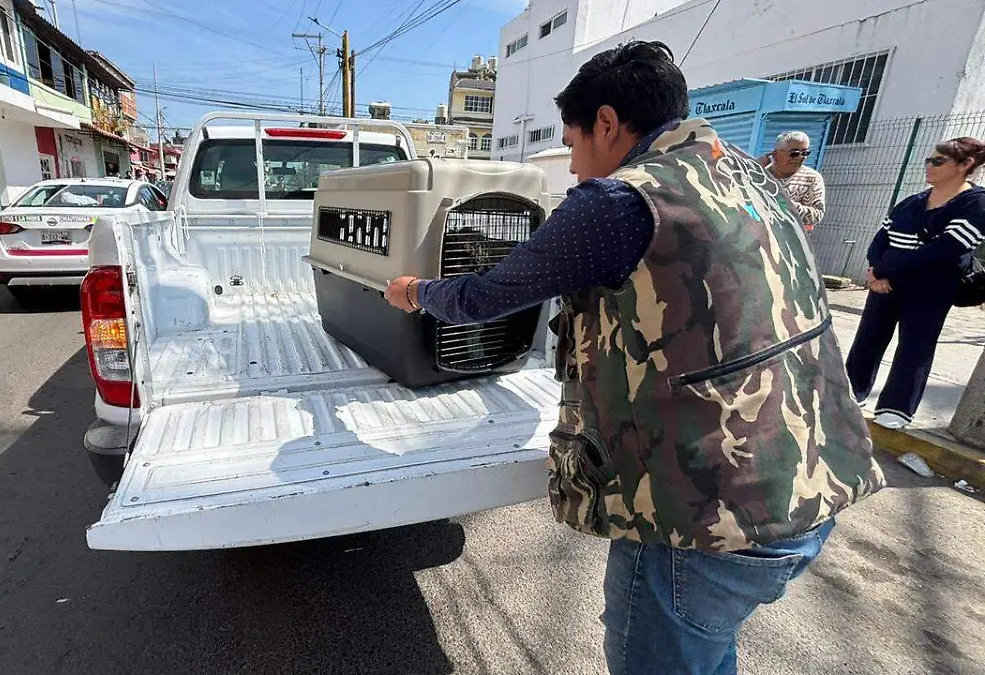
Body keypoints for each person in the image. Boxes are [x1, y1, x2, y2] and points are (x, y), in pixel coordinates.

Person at [383, 41, 885, 675]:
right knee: (703, 652)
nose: (572, 168)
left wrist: (415, 292)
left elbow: (485, 295)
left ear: (608, 123)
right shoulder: (748, 177)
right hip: (816, 481)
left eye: (571, 145)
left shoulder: (621, 201)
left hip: (706, 517)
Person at [845, 138, 985, 429]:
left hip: (930, 290)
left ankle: (896, 409)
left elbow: (945, 249)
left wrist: (886, 270)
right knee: (868, 338)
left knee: (915, 347)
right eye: (929, 160)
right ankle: (849, 392)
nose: (929, 166)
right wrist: (875, 271)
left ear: (965, 165)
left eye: (938, 161)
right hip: (885, 285)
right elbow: (881, 238)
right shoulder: (912, 202)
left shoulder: (976, 204)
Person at [760, 131, 827, 231]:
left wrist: (788, 205)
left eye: (805, 153)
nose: (800, 157)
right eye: (794, 153)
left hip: (788, 242)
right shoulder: (760, 174)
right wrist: (753, 166)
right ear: (775, 154)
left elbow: (817, 214)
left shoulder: (811, 178)